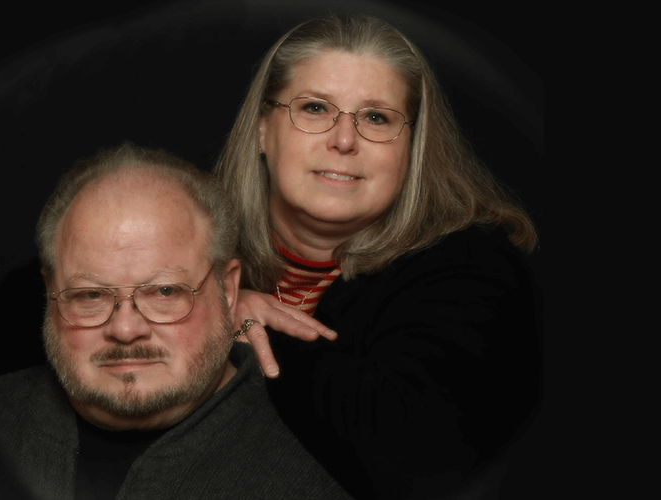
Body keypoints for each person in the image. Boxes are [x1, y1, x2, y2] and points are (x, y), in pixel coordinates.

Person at [215, 14, 541, 499]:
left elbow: (410, 453)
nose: (344, 141)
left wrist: (236, 324)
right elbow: (68, 298)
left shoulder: (473, 266)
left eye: (375, 118)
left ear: (412, 146)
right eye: (315, 108)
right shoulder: (191, 233)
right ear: (264, 130)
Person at [0, 143, 351, 499]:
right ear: (50, 289)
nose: (125, 329)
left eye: (164, 292)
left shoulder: (318, 465)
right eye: (90, 295)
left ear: (228, 290)